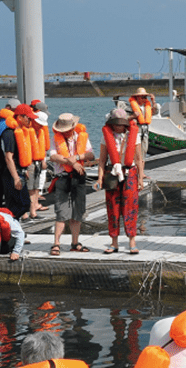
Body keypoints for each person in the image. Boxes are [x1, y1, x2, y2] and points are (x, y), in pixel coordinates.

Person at [49, 113, 95, 256]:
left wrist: (77, 157)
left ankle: (75, 243)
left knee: (78, 211)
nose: (66, 132)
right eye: (63, 130)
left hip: (79, 178)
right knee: (61, 212)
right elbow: (53, 156)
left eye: (68, 129)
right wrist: (72, 163)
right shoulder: (55, 139)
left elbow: (90, 155)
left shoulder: (81, 137)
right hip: (62, 177)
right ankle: (56, 243)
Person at [96, 109, 141, 254]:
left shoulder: (135, 135)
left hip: (130, 172)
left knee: (130, 207)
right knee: (112, 208)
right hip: (112, 173)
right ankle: (114, 242)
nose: (119, 127)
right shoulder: (106, 136)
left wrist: (141, 177)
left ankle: (132, 241)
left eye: (121, 124)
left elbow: (139, 159)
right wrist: (99, 177)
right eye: (116, 124)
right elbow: (102, 160)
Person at [0, 104, 36, 219]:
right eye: (28, 118)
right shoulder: (9, 133)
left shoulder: (19, 131)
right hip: (11, 173)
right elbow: (8, 157)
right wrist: (16, 178)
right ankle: (8, 225)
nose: (30, 120)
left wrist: (24, 170)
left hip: (18, 171)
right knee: (22, 204)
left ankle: (11, 229)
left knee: (17, 204)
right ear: (20, 117)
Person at [27, 100, 50, 218]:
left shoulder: (39, 131)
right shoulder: (28, 131)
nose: (41, 126)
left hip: (38, 162)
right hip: (29, 163)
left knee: (36, 187)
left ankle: (34, 209)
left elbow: (40, 149)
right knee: (30, 188)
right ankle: (31, 212)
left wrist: (42, 160)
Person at [129, 87, 154, 182]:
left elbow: (154, 112)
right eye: (142, 97)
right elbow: (125, 118)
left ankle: (141, 173)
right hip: (136, 130)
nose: (144, 99)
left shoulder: (147, 105)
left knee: (144, 151)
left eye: (145, 97)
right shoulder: (130, 106)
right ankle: (136, 172)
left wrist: (153, 101)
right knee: (136, 153)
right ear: (137, 97)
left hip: (145, 131)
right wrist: (133, 116)